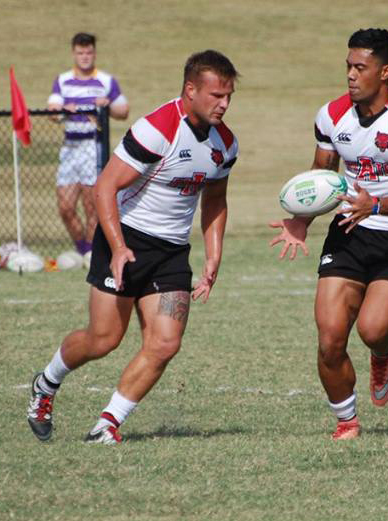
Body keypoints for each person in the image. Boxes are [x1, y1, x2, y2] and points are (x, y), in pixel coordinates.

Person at [27, 50, 239, 444]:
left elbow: (215, 200)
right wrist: (119, 248)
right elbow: (106, 186)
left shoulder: (224, 143)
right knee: (103, 339)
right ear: (190, 90)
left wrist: (213, 256)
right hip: (123, 239)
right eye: (216, 95)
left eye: (228, 96)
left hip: (172, 251)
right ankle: (46, 383)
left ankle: (107, 424)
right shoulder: (155, 129)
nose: (224, 104)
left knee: (165, 343)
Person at [269, 28, 388, 440]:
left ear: (385, 71)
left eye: (360, 67)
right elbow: (322, 178)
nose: (350, 74)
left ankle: (384, 351)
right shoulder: (330, 116)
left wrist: (376, 205)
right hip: (348, 234)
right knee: (330, 340)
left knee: (373, 330)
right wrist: (299, 220)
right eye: (348, 65)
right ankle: (347, 420)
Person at [48, 32, 130, 257]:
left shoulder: (105, 81)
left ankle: (90, 253)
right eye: (80, 52)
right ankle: (82, 248)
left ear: (94, 53)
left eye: (88, 52)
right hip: (71, 148)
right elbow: (52, 111)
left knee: (91, 206)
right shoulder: (63, 80)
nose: (84, 56)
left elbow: (123, 111)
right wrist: (64, 110)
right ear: (74, 53)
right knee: (65, 207)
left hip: (94, 148)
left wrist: (107, 106)